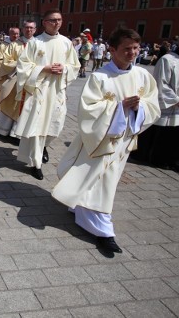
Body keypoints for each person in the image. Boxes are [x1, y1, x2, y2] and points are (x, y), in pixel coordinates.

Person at [52, 27, 160, 256]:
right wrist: (119, 107)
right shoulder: (100, 77)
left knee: (103, 182)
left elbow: (153, 106)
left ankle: (82, 209)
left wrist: (139, 108)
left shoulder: (143, 76)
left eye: (135, 48)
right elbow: (87, 111)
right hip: (98, 140)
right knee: (99, 182)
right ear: (112, 50)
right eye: (126, 49)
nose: (132, 53)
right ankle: (104, 231)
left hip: (123, 142)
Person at [14, 9, 80, 180]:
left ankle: (44, 146)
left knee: (55, 127)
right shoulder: (36, 43)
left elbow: (75, 66)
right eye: (52, 20)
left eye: (59, 20)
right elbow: (23, 66)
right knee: (38, 127)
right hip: (39, 90)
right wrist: (43, 68)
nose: (56, 23)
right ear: (44, 22)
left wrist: (64, 69)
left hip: (57, 90)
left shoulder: (66, 43)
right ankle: (35, 164)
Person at [130, 30, 179, 175]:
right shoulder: (168, 60)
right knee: (166, 136)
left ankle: (177, 162)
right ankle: (160, 160)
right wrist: (177, 100)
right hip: (172, 105)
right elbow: (160, 83)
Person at [0, 23, 36, 139]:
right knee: (9, 102)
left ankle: (17, 133)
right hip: (14, 79)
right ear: (23, 29)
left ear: (35, 30)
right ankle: (3, 131)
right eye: (26, 27)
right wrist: (21, 65)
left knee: (25, 106)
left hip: (31, 80)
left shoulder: (39, 45)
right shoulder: (14, 45)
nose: (29, 30)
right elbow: (6, 61)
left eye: (31, 28)